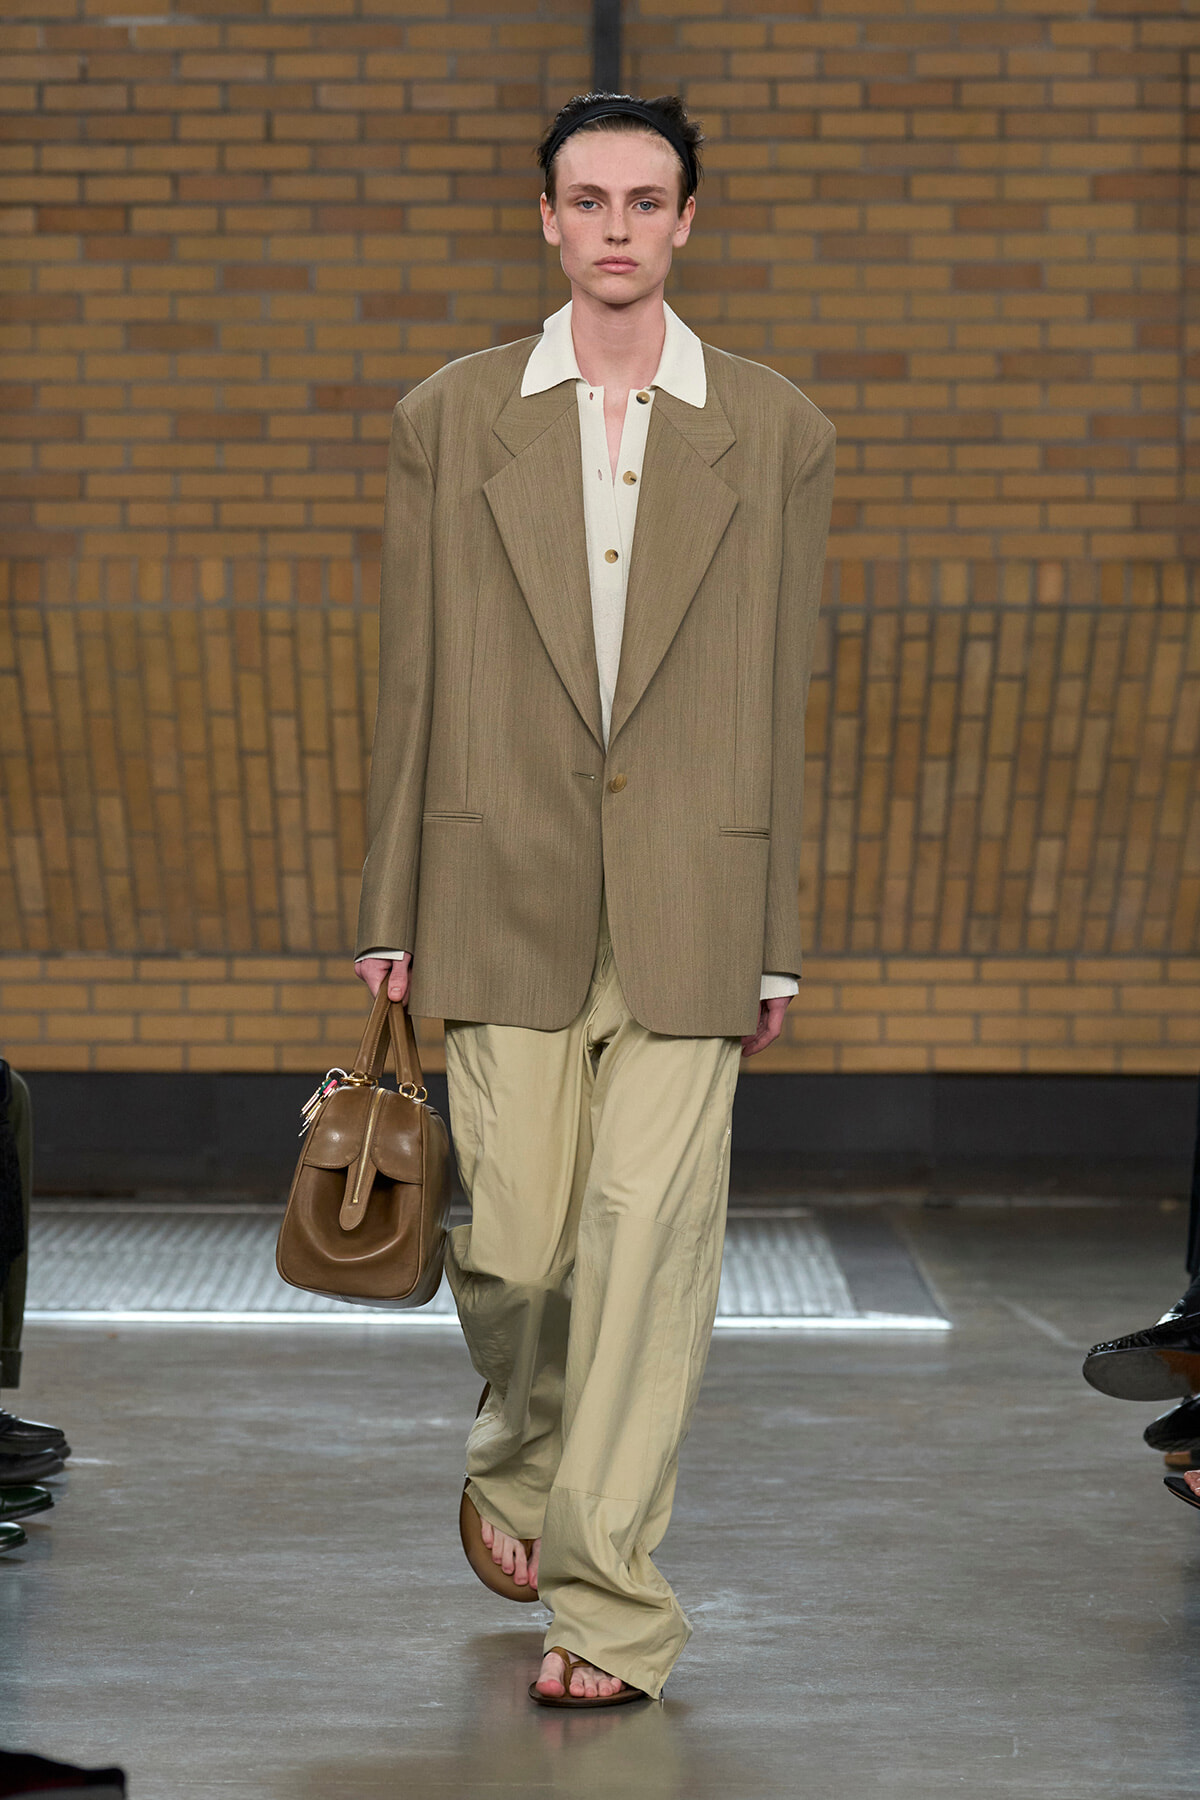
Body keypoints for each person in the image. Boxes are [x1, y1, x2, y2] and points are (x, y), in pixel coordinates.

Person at [354, 90, 835, 1706]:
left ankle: (608, 1607)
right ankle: (522, 1448)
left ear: (687, 222)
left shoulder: (774, 430)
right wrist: (388, 902)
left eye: (648, 199)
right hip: (500, 883)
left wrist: (780, 936)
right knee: (521, 1254)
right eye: (589, 198)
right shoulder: (453, 416)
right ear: (546, 221)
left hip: (699, 897)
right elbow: (411, 679)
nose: (618, 226)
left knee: (651, 1244)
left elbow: (783, 688)